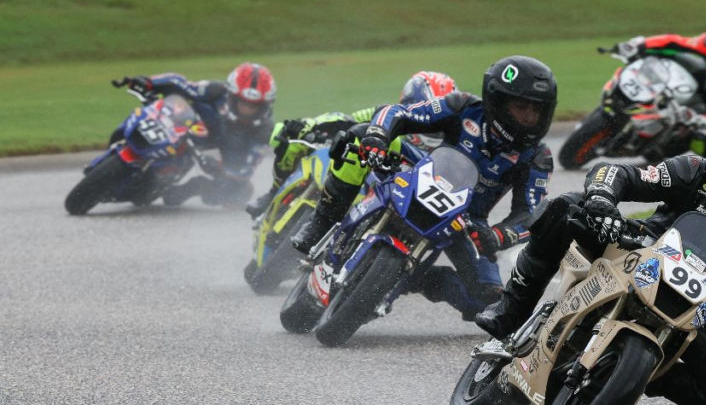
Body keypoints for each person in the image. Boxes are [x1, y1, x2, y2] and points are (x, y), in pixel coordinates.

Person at [476, 109, 706, 405]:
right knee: (564, 207)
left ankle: (629, 376)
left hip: (690, 303)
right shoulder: (694, 171)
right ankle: (512, 308)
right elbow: (617, 172)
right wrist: (602, 200)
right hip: (632, 249)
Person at [290, 56, 557, 321]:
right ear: (498, 100)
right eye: (522, 107)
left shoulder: (537, 156)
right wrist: (377, 135)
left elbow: (531, 214)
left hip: (467, 220)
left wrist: (498, 236)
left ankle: (418, 279)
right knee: (359, 138)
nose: (530, 117)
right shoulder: (463, 106)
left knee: (489, 302)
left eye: (537, 110)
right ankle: (321, 221)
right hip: (421, 172)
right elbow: (400, 113)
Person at [245, 71, 457, 219]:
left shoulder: (450, 151)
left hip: (390, 199)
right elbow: (348, 118)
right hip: (351, 171)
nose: (427, 124)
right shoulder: (389, 114)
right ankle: (272, 193)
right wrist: (311, 126)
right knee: (292, 139)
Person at [112, 62, 277, 207]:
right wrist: (148, 82)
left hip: (222, 149)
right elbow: (181, 84)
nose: (247, 110)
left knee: (240, 192)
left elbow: (243, 171)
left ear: (265, 106)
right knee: (165, 105)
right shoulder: (217, 91)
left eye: (253, 106)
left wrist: (218, 168)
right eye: (242, 103)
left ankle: (194, 186)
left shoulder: (263, 133)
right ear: (231, 96)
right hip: (186, 125)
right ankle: (127, 136)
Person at [610, 18, 706, 156]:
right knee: (670, 57)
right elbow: (674, 42)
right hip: (696, 86)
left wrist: (701, 119)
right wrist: (639, 45)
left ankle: (703, 173)